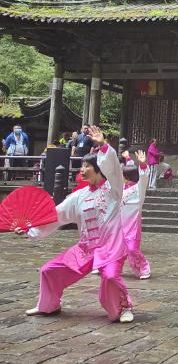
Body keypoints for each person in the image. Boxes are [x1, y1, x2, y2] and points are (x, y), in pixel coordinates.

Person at [15, 126, 134, 323]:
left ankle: (123, 308)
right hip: (86, 248)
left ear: (99, 169)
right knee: (49, 270)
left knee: (111, 277)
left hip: (110, 248)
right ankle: (48, 305)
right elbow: (56, 215)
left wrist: (103, 145)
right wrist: (30, 227)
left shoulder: (113, 190)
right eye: (82, 166)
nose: (82, 170)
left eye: (86, 166)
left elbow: (113, 167)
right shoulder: (79, 196)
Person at [120, 150, 152, 280]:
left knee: (132, 249)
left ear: (127, 177)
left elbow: (143, 177)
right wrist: (128, 158)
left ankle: (143, 268)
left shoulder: (138, 189)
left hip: (132, 225)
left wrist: (143, 164)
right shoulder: (121, 187)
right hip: (119, 224)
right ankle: (108, 267)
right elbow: (130, 169)